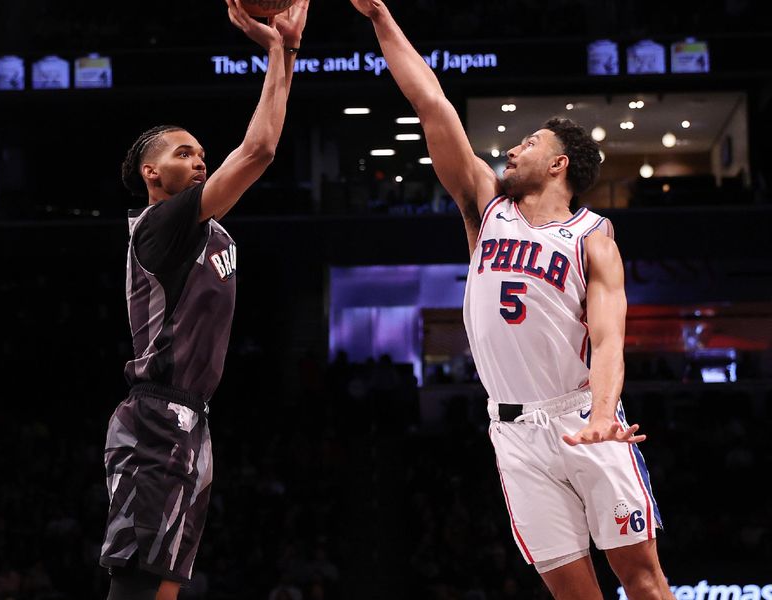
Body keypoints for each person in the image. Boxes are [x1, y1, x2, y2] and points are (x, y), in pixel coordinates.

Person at [349, 2, 674, 598]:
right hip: (513, 430)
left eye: (529, 141)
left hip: (583, 415)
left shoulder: (594, 239)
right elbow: (432, 104)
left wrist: (605, 412)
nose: (513, 149)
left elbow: (607, 339)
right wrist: (378, 17)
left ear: (558, 163)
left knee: (645, 582)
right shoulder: (485, 205)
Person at [99, 1, 310, 598]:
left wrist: (286, 53)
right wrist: (280, 52)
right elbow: (260, 150)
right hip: (154, 416)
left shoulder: (202, 226)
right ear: (150, 172)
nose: (199, 161)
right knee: (137, 585)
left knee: (165, 585)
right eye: (183, 154)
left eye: (201, 155)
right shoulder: (158, 224)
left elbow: (253, 153)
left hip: (192, 417)